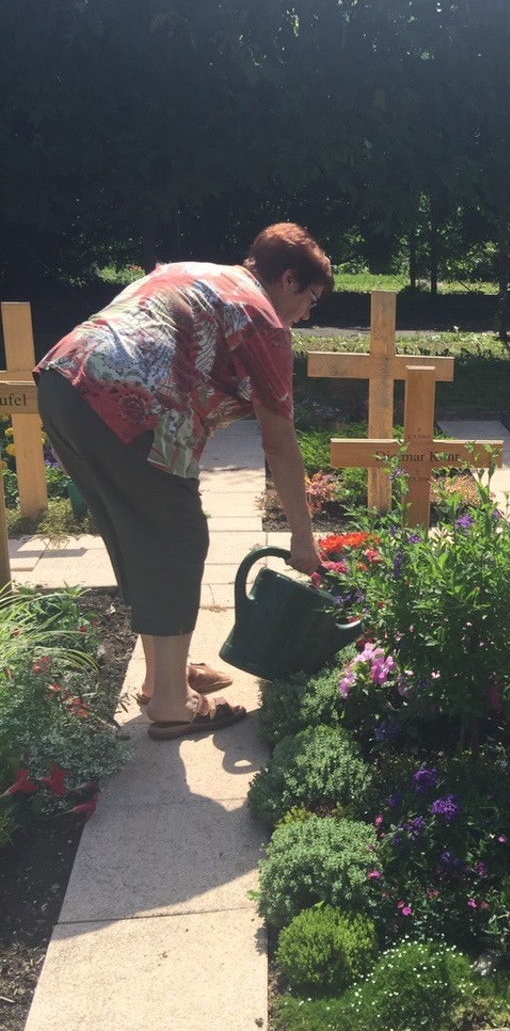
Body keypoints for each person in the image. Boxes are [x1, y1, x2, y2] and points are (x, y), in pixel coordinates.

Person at [35, 222, 333, 739]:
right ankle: (172, 703)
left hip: (65, 381)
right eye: (311, 298)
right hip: (127, 403)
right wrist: (303, 538)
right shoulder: (262, 319)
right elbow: (280, 444)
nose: (307, 312)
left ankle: (161, 678)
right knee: (179, 536)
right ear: (288, 279)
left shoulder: (197, 271)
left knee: (142, 534)